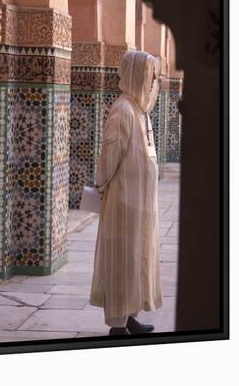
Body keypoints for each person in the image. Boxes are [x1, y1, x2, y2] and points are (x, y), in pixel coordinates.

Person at [90, 50, 163, 336]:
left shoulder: (140, 111)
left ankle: (130, 316)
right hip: (123, 205)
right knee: (122, 259)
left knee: (136, 259)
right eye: (150, 75)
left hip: (142, 207)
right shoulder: (123, 111)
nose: (153, 80)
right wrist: (102, 186)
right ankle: (117, 326)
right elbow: (109, 157)